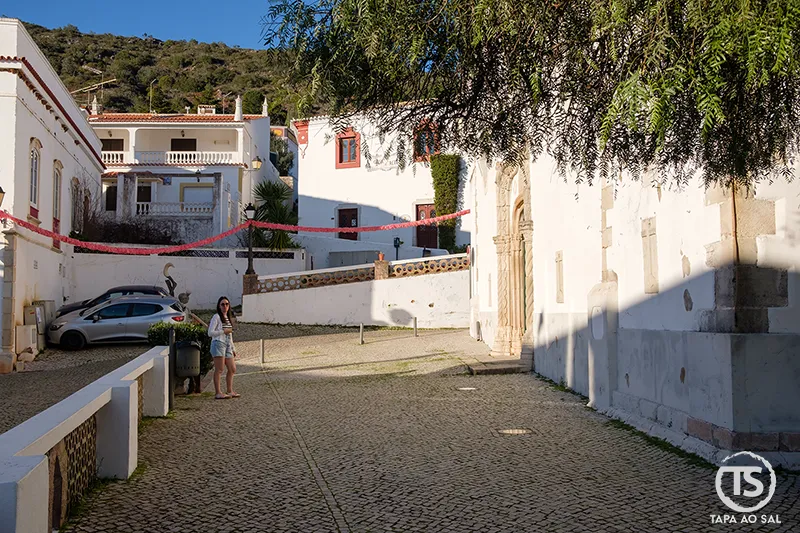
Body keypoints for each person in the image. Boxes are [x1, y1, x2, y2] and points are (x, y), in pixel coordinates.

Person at [208, 296, 239, 399]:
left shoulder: (228, 318)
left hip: (227, 346)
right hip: (218, 343)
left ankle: (230, 390)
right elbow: (210, 332)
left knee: (232, 368)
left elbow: (230, 335)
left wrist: (233, 348)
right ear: (219, 306)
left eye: (226, 304)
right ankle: (218, 392)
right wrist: (222, 331)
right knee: (219, 369)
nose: (225, 306)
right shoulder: (216, 317)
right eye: (222, 304)